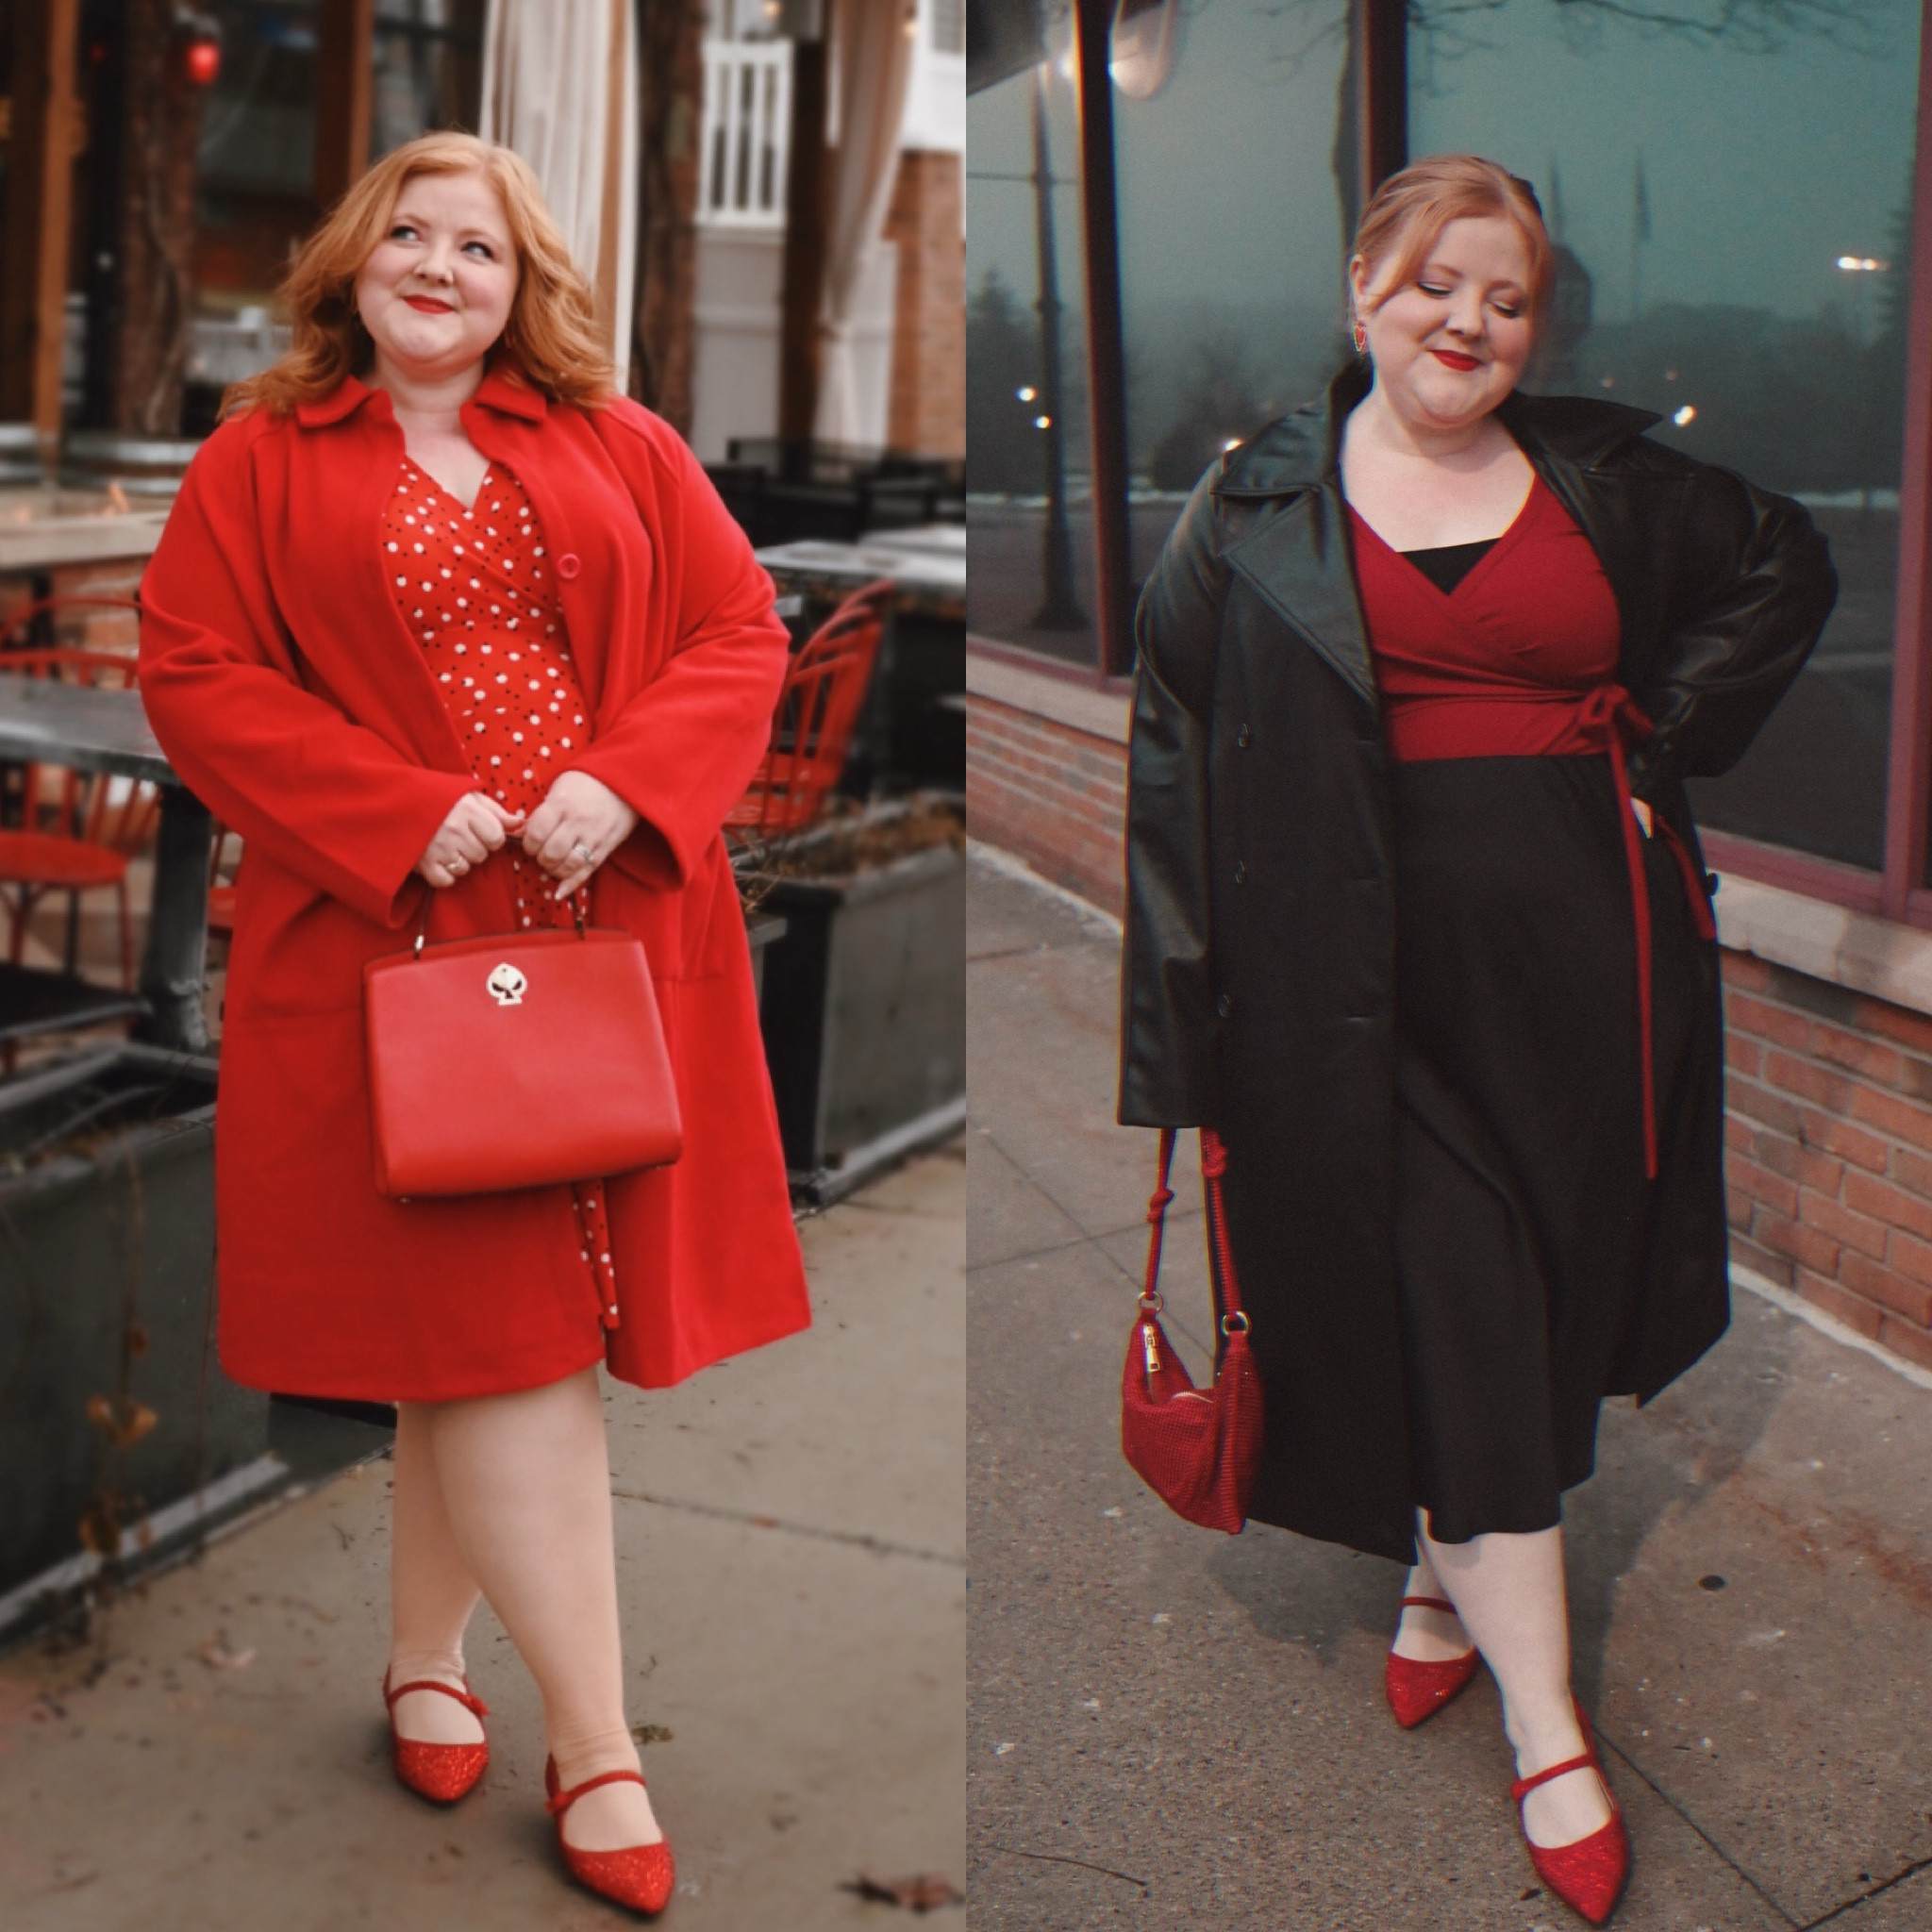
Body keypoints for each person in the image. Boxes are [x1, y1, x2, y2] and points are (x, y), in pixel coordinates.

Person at [1119, 153, 1836, 1925]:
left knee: (1544, 1299)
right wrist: (1179, 1048)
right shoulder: (1252, 503)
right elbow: (1169, 766)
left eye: (1507, 300)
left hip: (1587, 975)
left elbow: (1786, 560)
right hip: (1343, 998)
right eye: (1437, 283)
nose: (1471, 323)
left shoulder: (1607, 478)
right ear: (1363, 292)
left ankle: (1441, 1581)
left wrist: (1665, 732)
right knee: (1457, 1295)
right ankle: (1548, 1726)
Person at [138, 131, 809, 1917]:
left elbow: (740, 629)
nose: (440, 268)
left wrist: (631, 776)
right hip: (399, 947)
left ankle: (429, 1664)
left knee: (493, 1336)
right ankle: (599, 1743)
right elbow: (191, 674)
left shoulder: (619, 442)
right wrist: (390, 808)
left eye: (480, 249)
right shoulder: (257, 459)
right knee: (507, 1340)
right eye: (412, 235)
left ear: (523, 291)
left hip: (606, 930)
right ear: (354, 260)